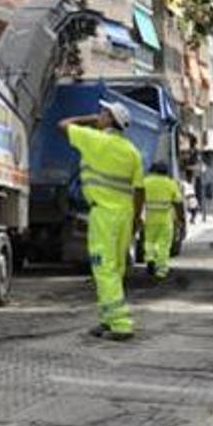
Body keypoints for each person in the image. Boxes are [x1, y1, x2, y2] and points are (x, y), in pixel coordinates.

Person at [59, 99, 145, 341]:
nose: (99, 114)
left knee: (103, 268)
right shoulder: (132, 152)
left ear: (110, 119)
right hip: (125, 214)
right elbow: (139, 190)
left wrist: (89, 119)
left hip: (103, 215)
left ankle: (120, 324)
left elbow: (62, 125)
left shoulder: (93, 139)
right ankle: (108, 319)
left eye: (103, 112)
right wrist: (137, 219)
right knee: (115, 269)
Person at [142, 162, 184, 280]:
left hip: (149, 218)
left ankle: (150, 258)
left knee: (149, 241)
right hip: (165, 219)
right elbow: (178, 202)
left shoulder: (145, 182)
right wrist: (181, 218)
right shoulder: (170, 184)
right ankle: (161, 270)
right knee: (164, 245)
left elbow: (139, 198)